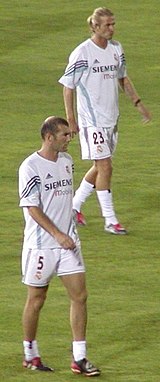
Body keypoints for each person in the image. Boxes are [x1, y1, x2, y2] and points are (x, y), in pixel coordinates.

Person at [18, 116, 100, 376]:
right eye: (64, 134)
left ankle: (80, 358)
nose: (70, 138)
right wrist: (57, 234)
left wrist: (69, 233)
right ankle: (30, 354)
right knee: (37, 300)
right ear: (49, 137)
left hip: (69, 244)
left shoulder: (67, 162)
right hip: (41, 246)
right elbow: (32, 208)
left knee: (80, 296)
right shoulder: (30, 167)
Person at [59, 7, 151, 234]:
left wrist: (138, 104)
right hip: (92, 120)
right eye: (107, 25)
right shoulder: (82, 53)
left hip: (112, 119)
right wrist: (71, 120)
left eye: (113, 24)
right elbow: (68, 86)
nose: (112, 28)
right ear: (95, 26)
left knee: (100, 166)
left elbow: (123, 78)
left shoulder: (116, 49)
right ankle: (110, 220)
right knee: (105, 166)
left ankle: (73, 206)